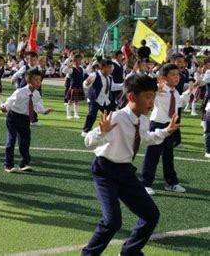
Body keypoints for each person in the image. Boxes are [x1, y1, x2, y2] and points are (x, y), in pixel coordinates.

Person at [81, 74, 179, 256]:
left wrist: (166, 131)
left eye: (154, 97)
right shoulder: (116, 117)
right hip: (105, 171)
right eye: (148, 97)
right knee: (112, 222)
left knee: (151, 215)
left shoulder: (142, 119)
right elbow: (88, 141)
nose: (152, 102)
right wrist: (101, 133)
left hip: (125, 172)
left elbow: (146, 138)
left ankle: (129, 252)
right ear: (132, 97)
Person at [141, 63, 191, 195]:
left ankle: (171, 183)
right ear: (164, 77)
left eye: (178, 74)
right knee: (152, 155)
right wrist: (156, 88)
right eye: (173, 75)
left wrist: (190, 91)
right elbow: (146, 93)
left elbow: (179, 102)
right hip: (157, 124)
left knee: (168, 156)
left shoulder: (175, 92)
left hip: (170, 126)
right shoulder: (160, 90)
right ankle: (145, 183)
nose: (177, 77)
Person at [0, 69, 52, 172]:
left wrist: (44, 111)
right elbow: (10, 101)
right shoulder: (20, 91)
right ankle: (8, 164)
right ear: (28, 80)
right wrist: (4, 107)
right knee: (11, 140)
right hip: (13, 117)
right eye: (36, 80)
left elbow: (37, 105)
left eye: (40, 80)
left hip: (25, 119)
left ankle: (24, 163)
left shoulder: (36, 94)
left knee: (25, 141)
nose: (38, 82)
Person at [82, 59, 122, 136]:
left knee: (113, 114)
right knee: (92, 114)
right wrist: (86, 83)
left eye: (111, 67)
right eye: (108, 67)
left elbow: (112, 87)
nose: (110, 69)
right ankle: (85, 131)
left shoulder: (110, 77)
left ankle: (113, 130)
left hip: (105, 100)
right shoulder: (94, 75)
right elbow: (85, 84)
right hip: (94, 99)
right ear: (102, 67)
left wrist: (123, 85)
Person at [62, 54, 86, 119]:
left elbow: (87, 71)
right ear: (74, 61)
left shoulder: (81, 68)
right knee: (70, 101)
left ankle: (76, 114)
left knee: (77, 101)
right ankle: (68, 114)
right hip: (73, 86)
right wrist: (68, 66)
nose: (80, 61)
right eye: (79, 60)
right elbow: (64, 71)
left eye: (81, 60)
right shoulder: (72, 69)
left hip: (79, 86)